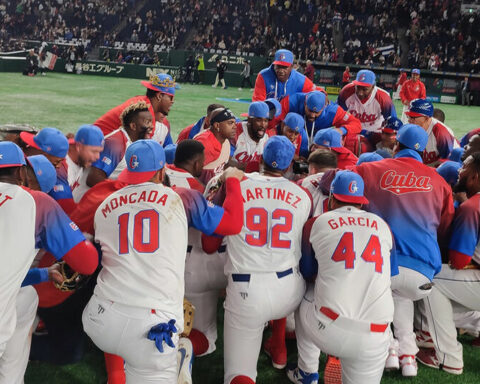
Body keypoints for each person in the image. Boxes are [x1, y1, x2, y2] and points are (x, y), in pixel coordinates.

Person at [82, 139, 245, 383]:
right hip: (152, 325)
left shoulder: (105, 205)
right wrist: (232, 180)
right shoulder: (181, 197)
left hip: (99, 318)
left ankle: (117, 374)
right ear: (161, 171)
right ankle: (180, 353)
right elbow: (232, 224)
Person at [352, 124, 455, 377]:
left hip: (383, 266)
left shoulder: (369, 168)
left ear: (396, 145)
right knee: (401, 295)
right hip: (423, 274)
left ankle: (388, 347)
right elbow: (444, 228)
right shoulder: (441, 183)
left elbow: (340, 186)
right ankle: (408, 355)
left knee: (380, 287)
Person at [212, 136, 312, 384]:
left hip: (247, 290)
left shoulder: (240, 184)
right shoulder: (302, 194)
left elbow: (211, 240)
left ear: (261, 158)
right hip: (290, 292)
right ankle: (287, 347)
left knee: (239, 375)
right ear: (289, 166)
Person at [0, 141, 98, 382]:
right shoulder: (37, 203)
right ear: (21, 173)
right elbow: (87, 263)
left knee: (26, 296)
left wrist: (44, 274)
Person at [287, 171, 395, 384]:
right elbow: (389, 274)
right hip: (377, 336)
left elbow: (308, 273)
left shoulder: (318, 222)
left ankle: (307, 372)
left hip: (330, 329)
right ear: (361, 203)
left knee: (304, 291)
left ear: (332, 200)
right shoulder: (383, 226)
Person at [417, 152, 480, 375]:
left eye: (465, 166)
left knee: (429, 279)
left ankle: (449, 357)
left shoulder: (472, 207)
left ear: (476, 175)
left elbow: (458, 261)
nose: (460, 170)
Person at [85, 101, 154, 190]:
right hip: (89, 199)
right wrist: (122, 193)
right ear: (133, 126)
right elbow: (93, 179)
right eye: (147, 122)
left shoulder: (132, 143)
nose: (151, 126)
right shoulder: (116, 143)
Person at [276, 91, 361, 156]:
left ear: (324, 107)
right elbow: (274, 122)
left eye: (316, 112)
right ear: (305, 103)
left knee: (351, 138)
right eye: (310, 111)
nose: (312, 115)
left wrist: (341, 130)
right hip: (293, 137)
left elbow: (356, 124)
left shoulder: (333, 112)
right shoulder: (292, 102)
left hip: (319, 142)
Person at [93, 73, 175, 140]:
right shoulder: (144, 114)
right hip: (95, 146)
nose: (172, 102)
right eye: (171, 97)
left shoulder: (143, 103)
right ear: (159, 96)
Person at [337, 69, 397, 149]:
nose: (360, 92)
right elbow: (338, 114)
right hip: (353, 129)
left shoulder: (383, 97)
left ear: (373, 87)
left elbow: (392, 122)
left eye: (365, 89)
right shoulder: (346, 91)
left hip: (375, 131)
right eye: (358, 87)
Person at [20, 127, 74, 213]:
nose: (26, 148)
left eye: (30, 146)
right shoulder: (53, 162)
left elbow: (68, 211)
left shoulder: (55, 177)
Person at [405, 99, 459, 166]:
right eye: (409, 116)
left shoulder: (441, 132)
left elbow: (449, 163)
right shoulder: (411, 129)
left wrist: (425, 168)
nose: (409, 120)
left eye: (413, 117)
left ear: (427, 118)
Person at [194, 108, 237, 184]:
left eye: (235, 123)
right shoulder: (204, 143)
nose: (235, 127)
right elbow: (189, 172)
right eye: (230, 123)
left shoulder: (225, 140)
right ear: (217, 125)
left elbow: (223, 165)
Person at [64, 125, 105, 203]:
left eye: (99, 152)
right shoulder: (62, 167)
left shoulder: (81, 161)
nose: (98, 157)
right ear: (78, 147)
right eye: (94, 151)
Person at [232, 102, 270, 171]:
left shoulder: (269, 137)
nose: (263, 125)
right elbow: (225, 161)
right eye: (259, 120)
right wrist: (250, 167)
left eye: (266, 120)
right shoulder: (235, 132)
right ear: (249, 120)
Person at [300, 148, 337, 215]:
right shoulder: (342, 182)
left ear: (313, 170)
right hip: (336, 223)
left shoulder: (303, 182)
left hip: (312, 222)